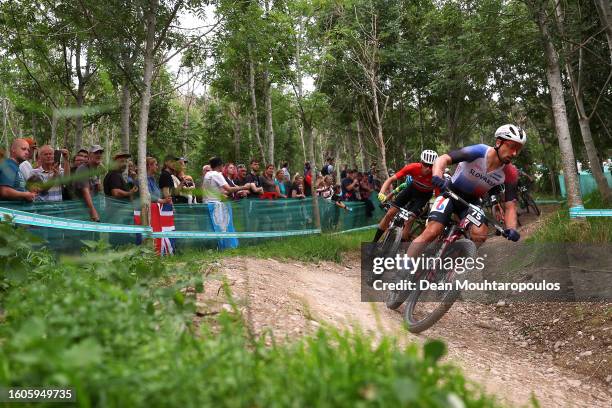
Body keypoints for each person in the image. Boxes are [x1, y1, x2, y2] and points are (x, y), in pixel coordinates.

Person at [404, 124, 525, 273]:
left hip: (471, 204)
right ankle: (402, 272)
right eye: (512, 146)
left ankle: (451, 273)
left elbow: (510, 206)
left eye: (518, 150)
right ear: (499, 142)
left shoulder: (511, 173)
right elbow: (443, 159)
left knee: (480, 235)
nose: (514, 153)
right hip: (450, 193)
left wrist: (511, 228)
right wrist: (437, 176)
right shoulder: (479, 151)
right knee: (432, 232)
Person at [373, 150, 438, 242]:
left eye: (431, 166)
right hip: (411, 189)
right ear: (421, 162)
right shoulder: (412, 167)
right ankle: (374, 242)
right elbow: (391, 180)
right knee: (390, 214)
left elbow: (439, 197)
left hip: (424, 196)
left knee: (410, 220)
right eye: (425, 164)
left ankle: (402, 246)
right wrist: (381, 193)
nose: (428, 168)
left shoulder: (437, 175)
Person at [74, 145, 104, 221]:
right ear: (90, 155)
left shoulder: (96, 169)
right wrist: (93, 210)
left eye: (101, 152)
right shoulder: (83, 169)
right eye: (96, 152)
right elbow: (85, 192)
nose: (99, 155)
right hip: (81, 210)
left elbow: (99, 189)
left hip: (93, 207)